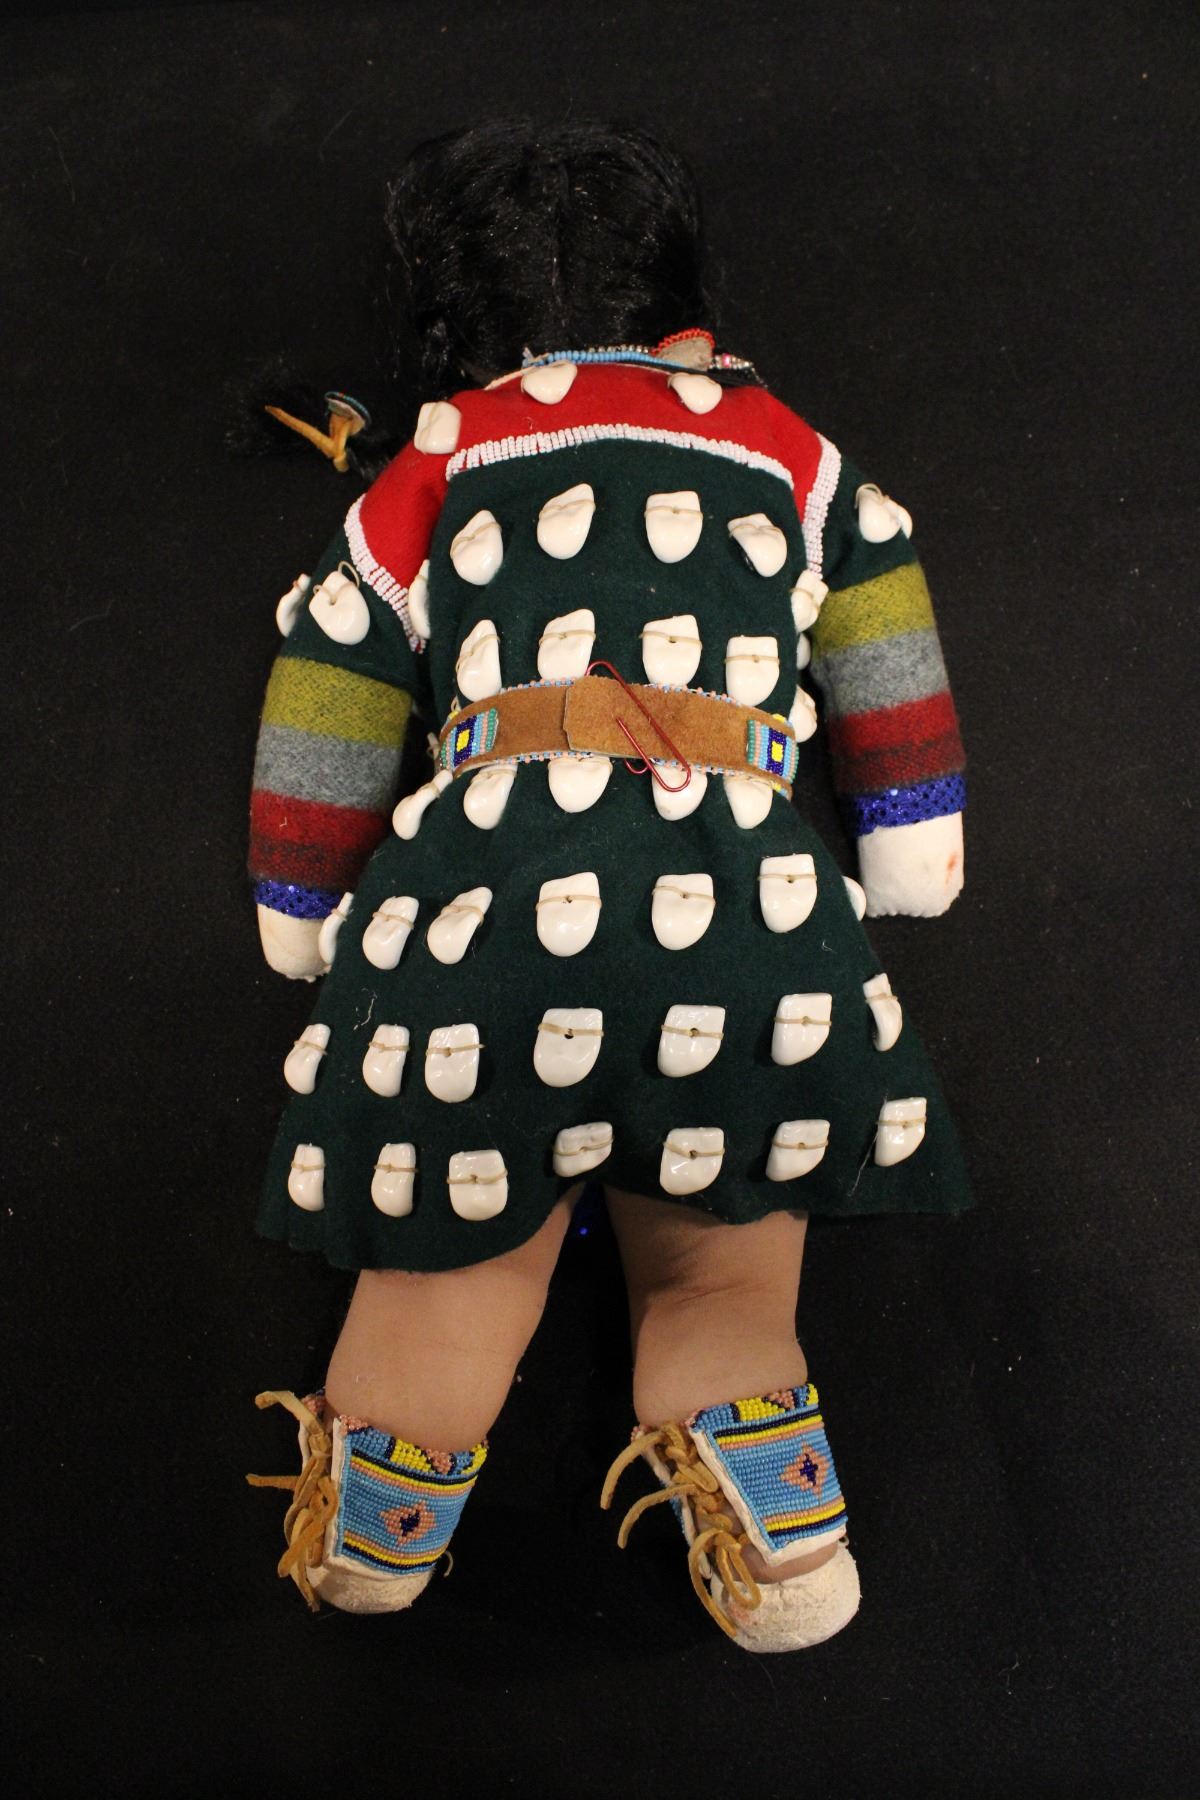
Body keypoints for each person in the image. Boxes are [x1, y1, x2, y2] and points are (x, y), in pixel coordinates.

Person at [243, 119, 970, 1653]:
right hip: (744, 904)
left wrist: (301, 903)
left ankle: (373, 1535)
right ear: (684, 303)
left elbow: (337, 656)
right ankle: (781, 1552)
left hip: (487, 919)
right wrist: (910, 828)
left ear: (459, 325)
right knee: (723, 1275)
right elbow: (879, 602)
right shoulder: (788, 448)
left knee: (451, 1276)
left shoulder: (441, 457)